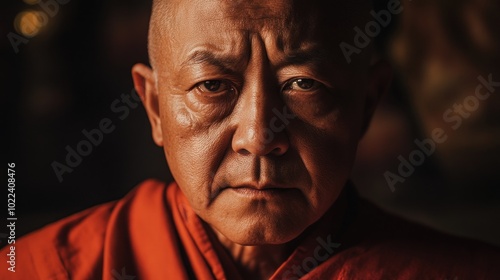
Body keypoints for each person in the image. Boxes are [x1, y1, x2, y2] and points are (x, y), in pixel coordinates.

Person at [2, 0, 500, 279]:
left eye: (304, 84)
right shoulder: (40, 271)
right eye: (212, 86)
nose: (260, 137)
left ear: (366, 103)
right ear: (154, 106)